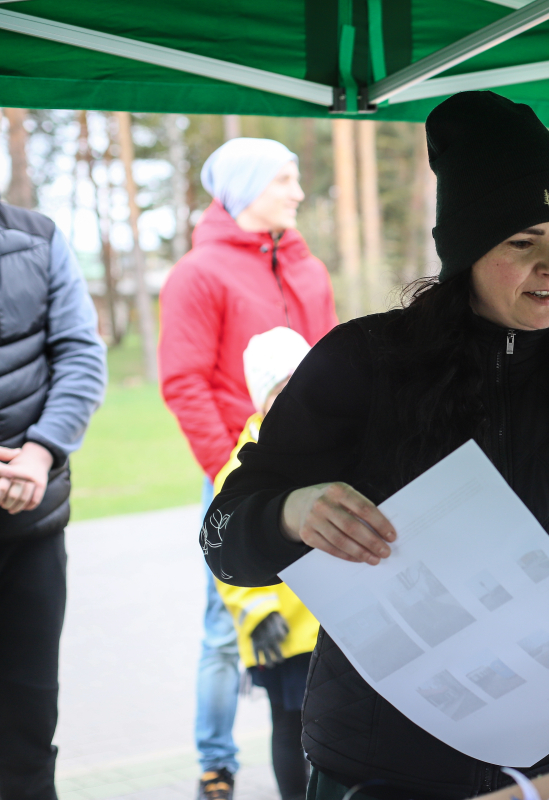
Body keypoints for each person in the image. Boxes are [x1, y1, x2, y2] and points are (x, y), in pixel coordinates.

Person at [202, 91, 549, 800]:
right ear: (468, 248)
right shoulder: (364, 363)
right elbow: (222, 534)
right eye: (523, 242)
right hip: (380, 767)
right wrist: (291, 512)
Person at [158, 137, 338, 800]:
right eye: (283, 179)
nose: (296, 191)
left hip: (314, 466)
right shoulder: (198, 274)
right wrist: (234, 479)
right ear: (246, 189)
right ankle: (216, 764)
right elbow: (183, 381)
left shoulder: (308, 268)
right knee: (227, 628)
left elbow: (335, 364)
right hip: (241, 469)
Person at [0, 201, 107, 800]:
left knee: (28, 736)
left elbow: (81, 355)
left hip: (31, 534)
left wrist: (40, 453)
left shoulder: (39, 238)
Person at [213, 327, 318, 800]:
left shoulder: (331, 442)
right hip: (283, 632)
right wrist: (257, 615)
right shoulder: (242, 468)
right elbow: (225, 548)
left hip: (330, 624)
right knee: (290, 725)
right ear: (261, 400)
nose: (296, 399)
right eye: (282, 391)